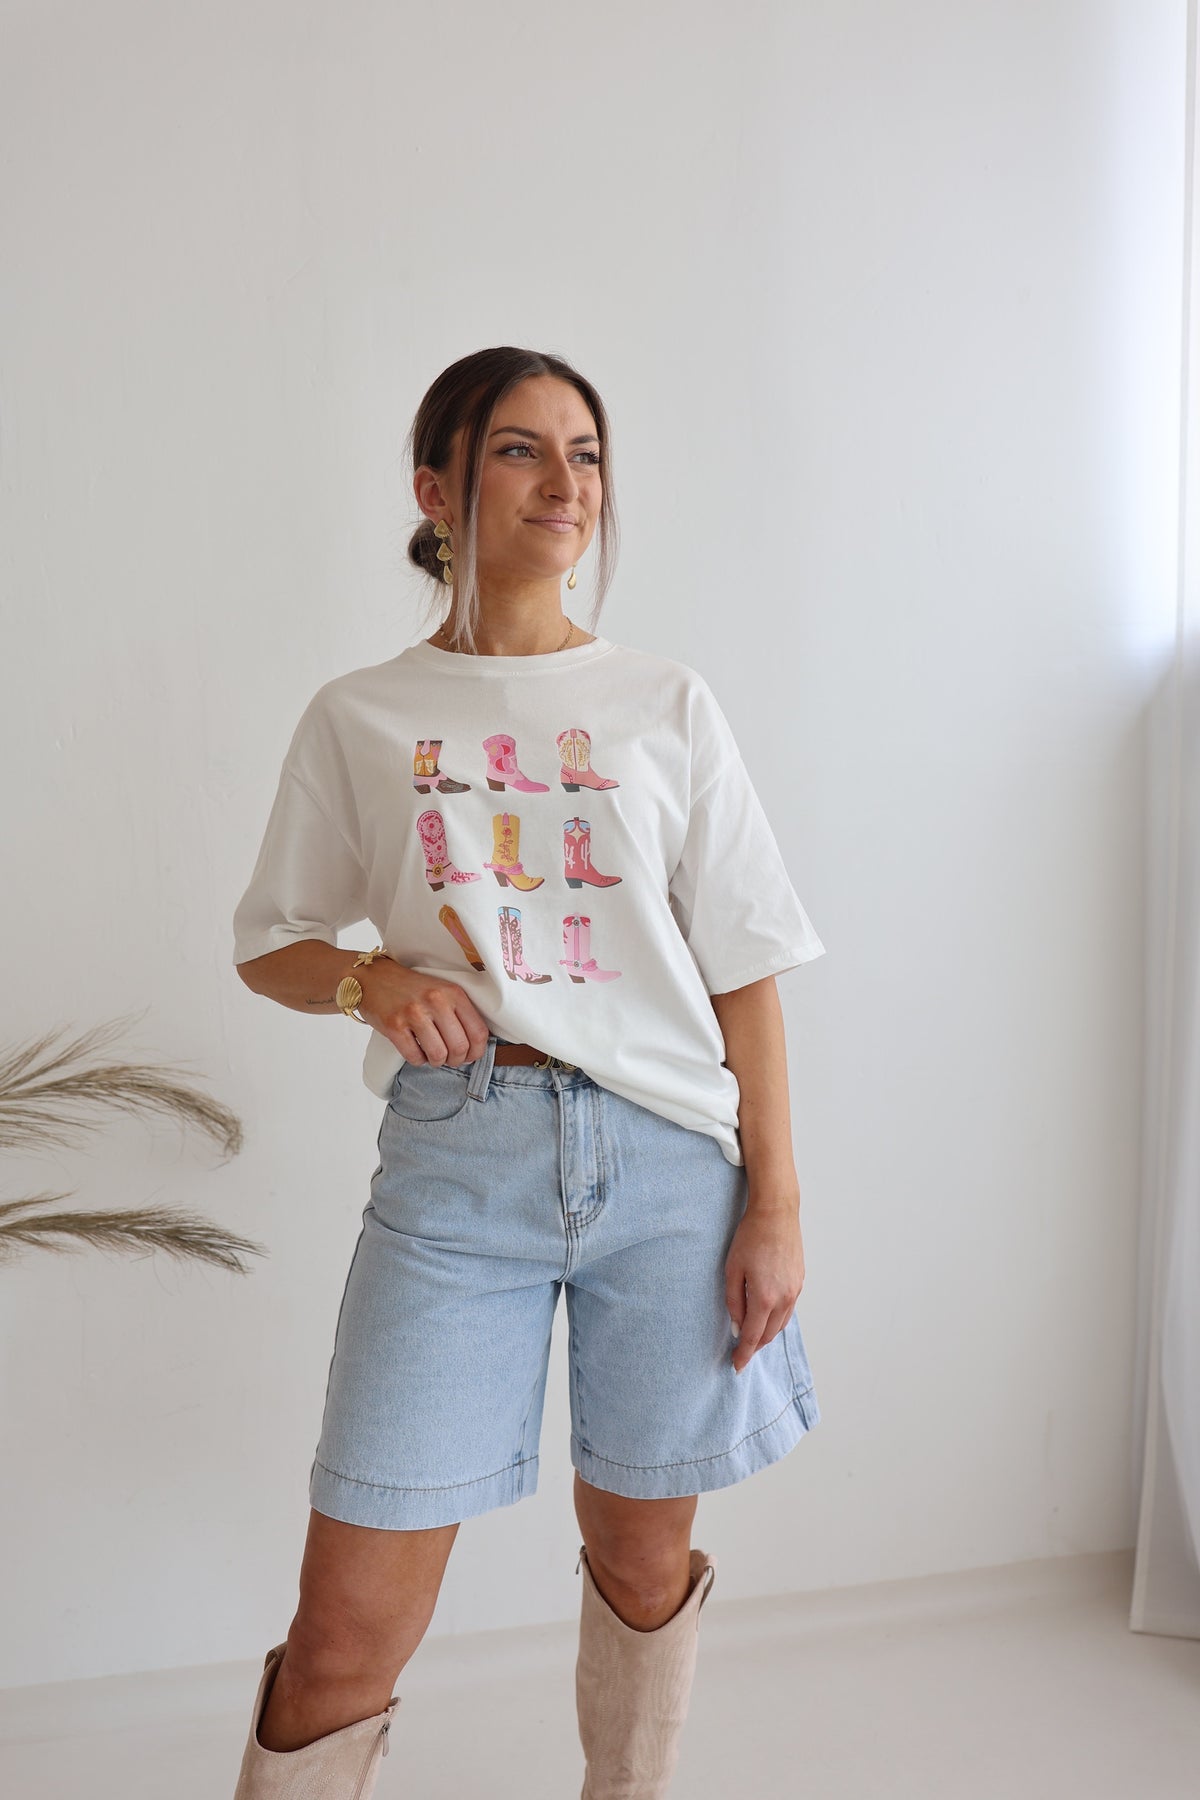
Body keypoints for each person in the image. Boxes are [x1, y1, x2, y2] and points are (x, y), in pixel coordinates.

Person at [228, 345, 827, 1800]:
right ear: (436, 491)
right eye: (520, 449)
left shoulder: (665, 702)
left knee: (643, 1560)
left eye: (588, 453)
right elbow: (272, 944)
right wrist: (374, 982)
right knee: (344, 1630)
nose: (567, 483)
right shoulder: (361, 714)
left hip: (670, 1168)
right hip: (459, 1164)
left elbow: (743, 966)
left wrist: (776, 1203)